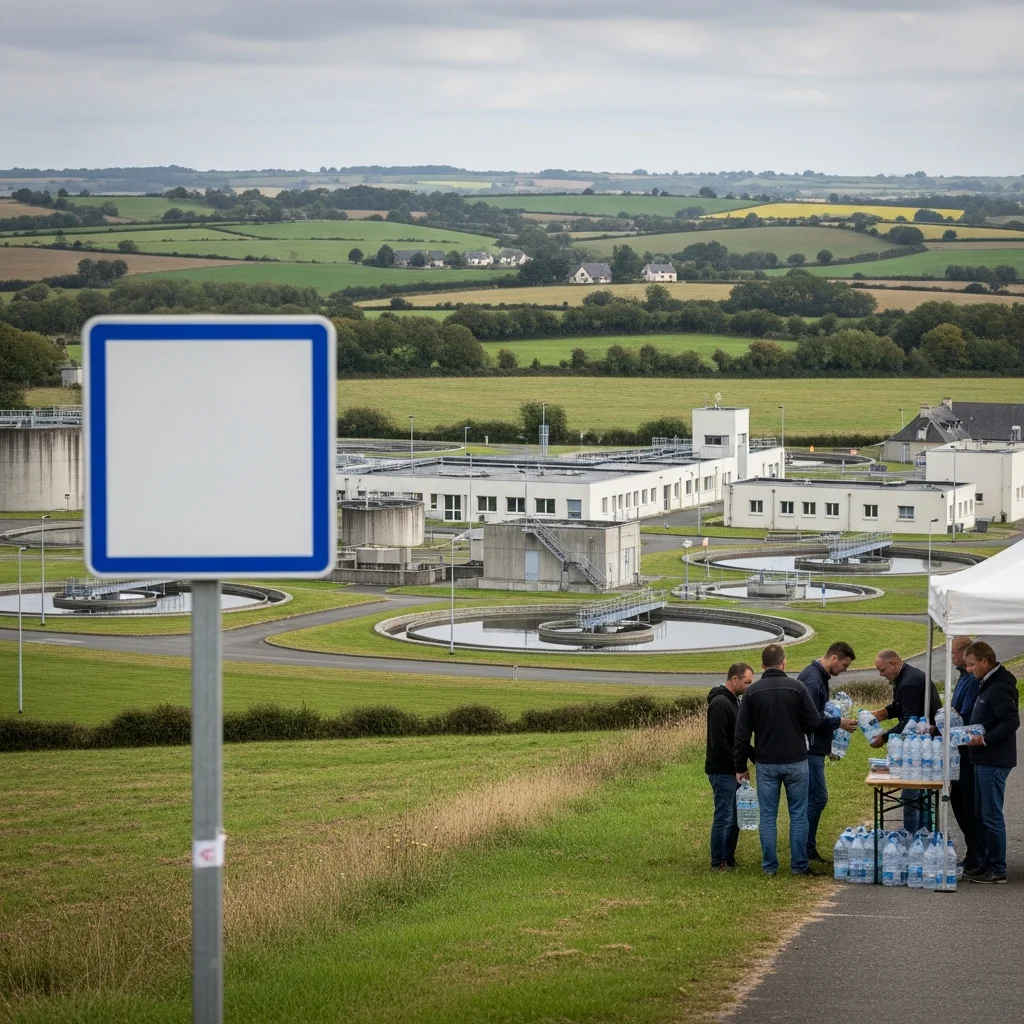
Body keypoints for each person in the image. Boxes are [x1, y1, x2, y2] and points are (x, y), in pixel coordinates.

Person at [734, 643, 821, 877]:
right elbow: (814, 722)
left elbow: (742, 734)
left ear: (762, 665)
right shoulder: (798, 687)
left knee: (769, 816)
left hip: (766, 762)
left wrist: (740, 766)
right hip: (796, 760)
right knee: (799, 814)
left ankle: (770, 867)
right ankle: (799, 865)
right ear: (784, 663)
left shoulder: (752, 692)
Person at [867, 649, 942, 833]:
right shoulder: (904, 677)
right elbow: (899, 706)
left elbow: (910, 721)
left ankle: (912, 836)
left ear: (894, 663)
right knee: (921, 796)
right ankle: (925, 833)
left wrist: (883, 738)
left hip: (922, 747)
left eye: (882, 670)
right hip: (926, 744)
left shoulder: (908, 683)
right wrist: (881, 714)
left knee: (911, 795)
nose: (881, 674)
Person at [963, 641, 1020, 884]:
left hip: (993, 760)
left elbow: (1010, 722)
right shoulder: (986, 683)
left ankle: (998, 868)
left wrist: (984, 739)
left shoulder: (999, 687)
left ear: (985, 662)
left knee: (991, 814)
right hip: (982, 759)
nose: (968, 669)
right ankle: (986, 862)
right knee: (981, 813)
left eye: (971, 664)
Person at [797, 641, 858, 863]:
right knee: (817, 798)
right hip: (809, 748)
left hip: (813, 747)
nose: (844, 670)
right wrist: (838, 722)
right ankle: (805, 847)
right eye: (844, 664)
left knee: (812, 799)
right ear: (834, 658)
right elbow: (811, 719)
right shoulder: (814, 680)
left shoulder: (817, 676)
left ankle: (804, 845)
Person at [705, 662, 754, 871]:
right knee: (724, 816)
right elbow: (720, 742)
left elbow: (738, 739)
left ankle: (729, 857)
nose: (749, 687)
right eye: (746, 682)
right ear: (734, 679)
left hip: (733, 769)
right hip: (722, 771)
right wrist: (738, 765)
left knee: (735, 817)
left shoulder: (736, 701)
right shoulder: (720, 703)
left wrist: (752, 754)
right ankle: (718, 861)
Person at [949, 635, 984, 874]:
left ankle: (978, 855)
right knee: (958, 801)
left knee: (969, 804)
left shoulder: (971, 680)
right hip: (958, 750)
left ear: (964, 653)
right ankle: (973, 853)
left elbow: (966, 713)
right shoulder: (963, 677)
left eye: (953, 654)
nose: (951, 658)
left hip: (967, 752)